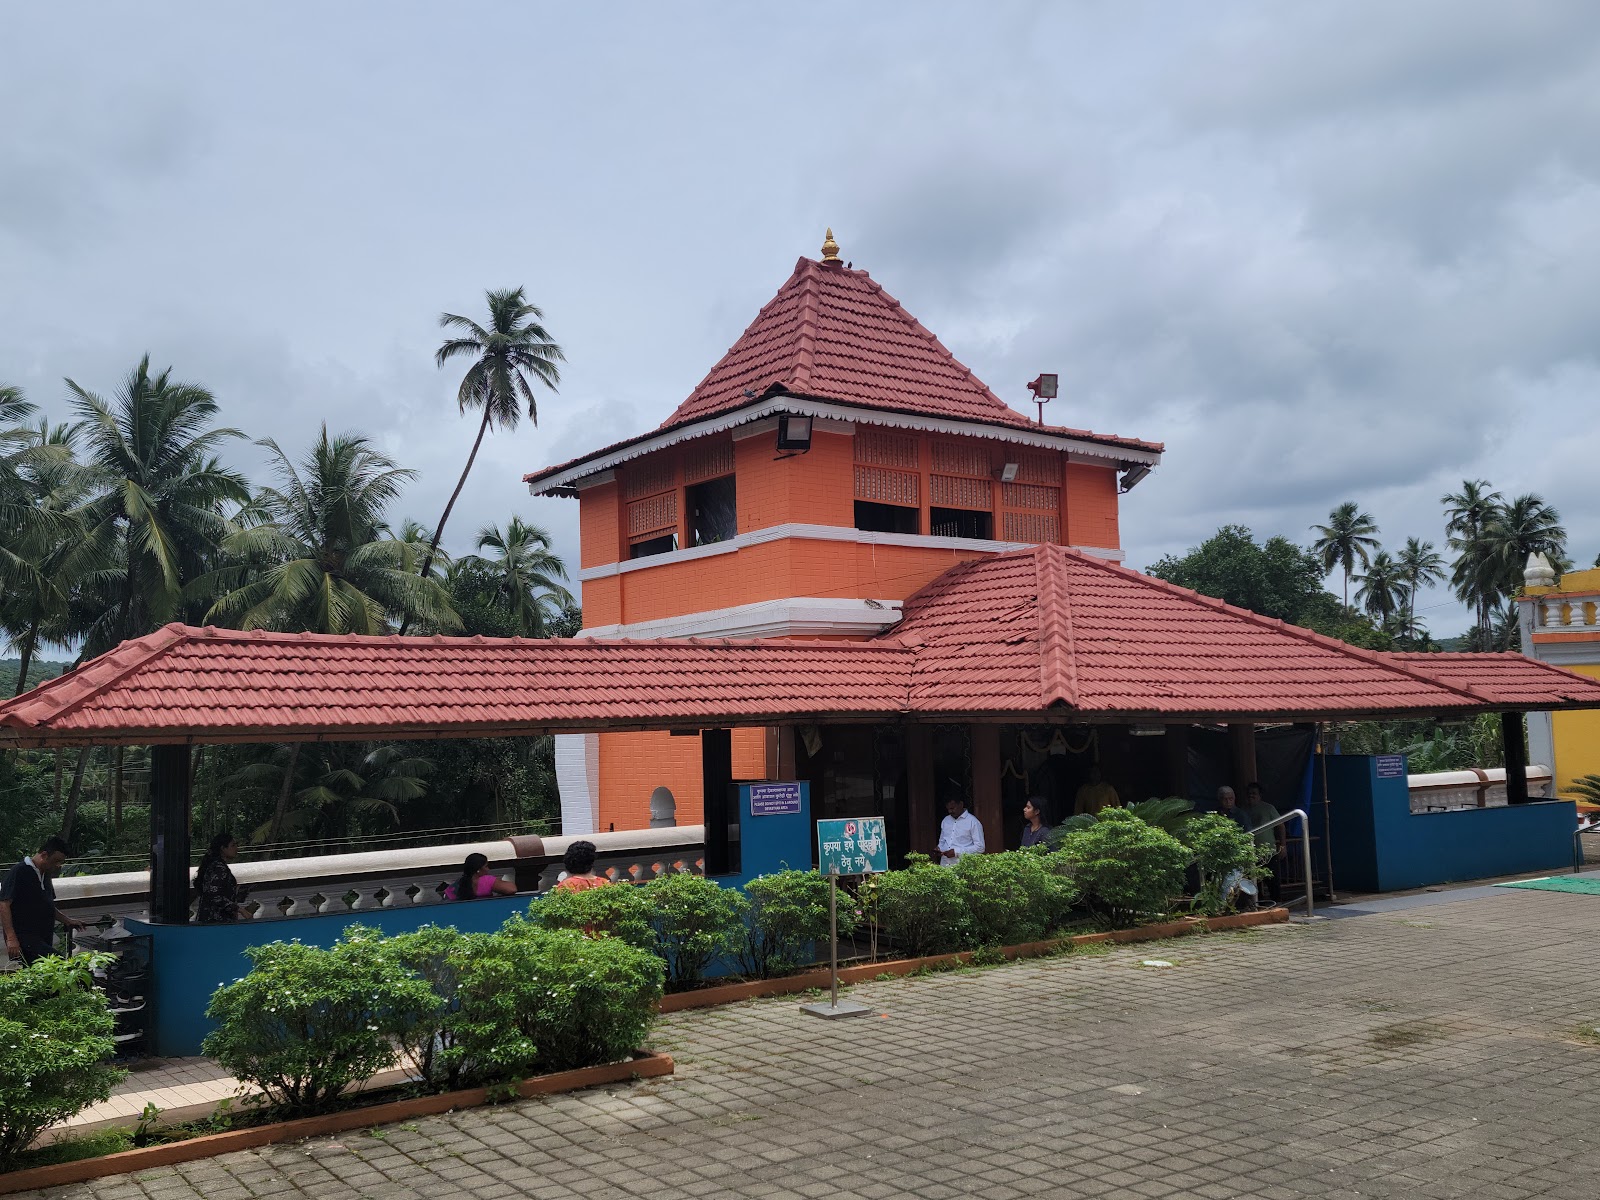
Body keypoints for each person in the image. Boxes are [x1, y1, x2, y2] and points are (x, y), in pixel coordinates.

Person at [1, 836, 86, 964]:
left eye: (60, 862)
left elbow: (47, 905)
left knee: (42, 975)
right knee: (60, 965)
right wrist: (11, 938)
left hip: (43, 935)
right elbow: (4, 904)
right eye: (55, 861)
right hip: (25, 937)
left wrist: (67, 920)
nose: (57, 865)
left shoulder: (45, 874)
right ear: (44, 855)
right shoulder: (19, 871)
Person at [1241, 782, 1286, 904]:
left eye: (1254, 793)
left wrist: (1282, 845)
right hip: (1250, 853)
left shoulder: (1268, 808)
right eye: (1249, 794)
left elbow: (1280, 826)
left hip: (1268, 851)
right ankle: (1257, 903)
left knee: (1272, 879)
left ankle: (1277, 903)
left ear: (1260, 795)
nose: (1251, 796)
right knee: (1253, 880)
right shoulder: (1242, 810)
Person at [194, 831, 249, 923]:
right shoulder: (219, 868)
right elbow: (214, 895)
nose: (236, 848)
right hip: (217, 920)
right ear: (223, 848)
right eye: (233, 845)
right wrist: (239, 909)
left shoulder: (213, 865)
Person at [445, 852, 517, 901]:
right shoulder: (486, 880)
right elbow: (511, 889)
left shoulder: (457, 884)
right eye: (486, 866)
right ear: (478, 869)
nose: (488, 869)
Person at [937, 796, 985, 865]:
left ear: (961, 804)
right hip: (945, 865)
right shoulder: (946, 820)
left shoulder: (973, 822)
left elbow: (980, 847)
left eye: (952, 808)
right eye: (948, 809)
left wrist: (956, 852)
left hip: (962, 866)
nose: (950, 811)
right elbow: (942, 842)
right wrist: (939, 849)